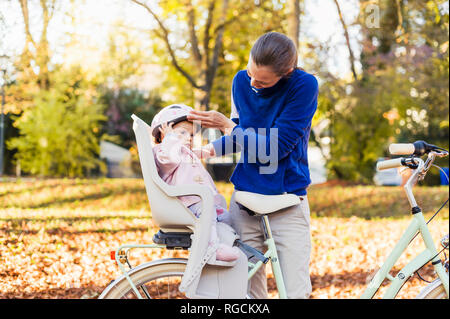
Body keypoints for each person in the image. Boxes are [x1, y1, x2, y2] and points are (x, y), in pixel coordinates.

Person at [187, 32, 318, 299]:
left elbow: (275, 148)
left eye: (263, 81)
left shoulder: (303, 86)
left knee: (295, 292)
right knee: (245, 293)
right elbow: (243, 135)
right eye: (250, 74)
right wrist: (208, 150)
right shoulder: (240, 81)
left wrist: (227, 125)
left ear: (287, 72)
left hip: (287, 201)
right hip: (245, 202)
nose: (253, 83)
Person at [151, 104, 240, 262]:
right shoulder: (163, 152)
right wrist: (171, 139)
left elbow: (206, 151)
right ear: (162, 135)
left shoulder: (184, 152)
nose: (188, 138)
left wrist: (224, 145)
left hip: (204, 202)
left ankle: (227, 244)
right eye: (182, 133)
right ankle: (212, 248)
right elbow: (169, 160)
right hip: (189, 203)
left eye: (191, 134)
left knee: (227, 218)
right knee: (209, 215)